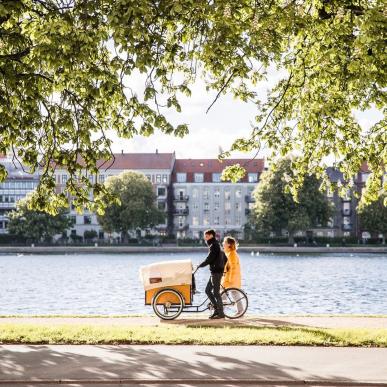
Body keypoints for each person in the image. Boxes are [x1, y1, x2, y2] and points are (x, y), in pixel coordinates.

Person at [197, 229, 225, 319]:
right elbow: (225, 258)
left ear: (211, 236)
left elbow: (209, 259)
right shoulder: (216, 244)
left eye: (206, 236)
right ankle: (216, 310)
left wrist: (200, 265)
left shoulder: (214, 245)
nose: (205, 238)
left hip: (216, 272)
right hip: (215, 272)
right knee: (207, 290)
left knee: (216, 293)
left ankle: (220, 314)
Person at [221, 236, 243, 314]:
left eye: (224, 242)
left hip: (232, 278)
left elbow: (233, 268)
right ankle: (222, 310)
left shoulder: (232, 254)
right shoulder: (229, 253)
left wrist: (229, 279)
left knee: (232, 294)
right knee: (228, 294)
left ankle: (239, 311)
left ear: (229, 245)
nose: (223, 243)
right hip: (230, 278)